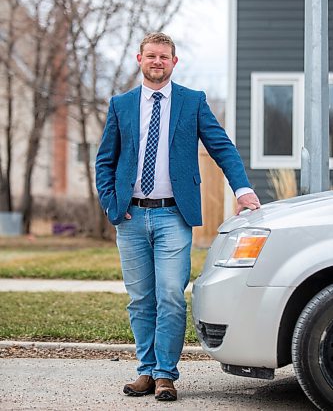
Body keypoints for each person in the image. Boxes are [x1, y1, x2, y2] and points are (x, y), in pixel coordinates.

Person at [95, 32, 260, 402]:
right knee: (140, 299)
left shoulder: (192, 102)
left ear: (174, 62)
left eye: (164, 57)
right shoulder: (121, 104)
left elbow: (222, 147)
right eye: (151, 56)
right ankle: (145, 371)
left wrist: (243, 189)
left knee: (170, 295)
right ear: (140, 59)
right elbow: (105, 160)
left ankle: (166, 374)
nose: (157, 62)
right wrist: (111, 203)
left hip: (173, 216)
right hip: (131, 216)